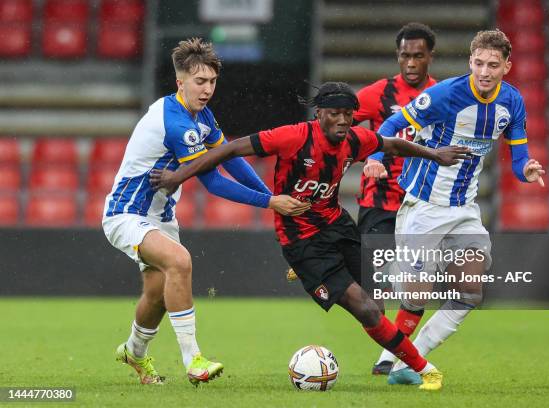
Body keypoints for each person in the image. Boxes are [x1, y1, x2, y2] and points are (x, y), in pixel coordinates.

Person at [150, 82, 472, 391]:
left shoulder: (355, 140)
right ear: (319, 114)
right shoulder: (293, 137)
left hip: (337, 225)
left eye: (349, 113)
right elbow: (231, 148)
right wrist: (178, 175)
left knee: (377, 303)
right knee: (367, 310)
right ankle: (422, 369)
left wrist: (435, 154)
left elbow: (392, 144)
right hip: (301, 239)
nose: (343, 119)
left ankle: (396, 361)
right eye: (335, 113)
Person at [102, 38, 309, 386]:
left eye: (212, 81)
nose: (208, 89)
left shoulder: (202, 115)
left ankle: (133, 351)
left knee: (157, 294)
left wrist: (270, 196)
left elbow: (230, 157)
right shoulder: (176, 123)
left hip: (161, 217)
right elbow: (212, 181)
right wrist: (270, 203)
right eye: (200, 81)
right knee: (180, 261)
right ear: (180, 81)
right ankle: (193, 359)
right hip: (125, 214)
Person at [369, 29, 545, 385]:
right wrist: (374, 157)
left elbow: (519, 156)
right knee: (415, 296)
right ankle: (398, 288)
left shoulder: (512, 102)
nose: (484, 71)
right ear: (470, 62)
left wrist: (526, 170)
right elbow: (392, 124)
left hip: (464, 208)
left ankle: (407, 362)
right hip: (424, 206)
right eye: (478, 63)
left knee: (471, 291)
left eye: (493, 65)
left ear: (507, 66)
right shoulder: (447, 94)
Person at [354, 22, 438, 376]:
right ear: (397, 55)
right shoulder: (377, 94)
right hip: (379, 203)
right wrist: (369, 156)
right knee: (375, 286)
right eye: (405, 55)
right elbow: (340, 127)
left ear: (430, 56)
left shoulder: (444, 95)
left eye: (419, 56)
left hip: (423, 204)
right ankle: (391, 350)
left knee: (419, 282)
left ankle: (390, 357)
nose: (411, 63)